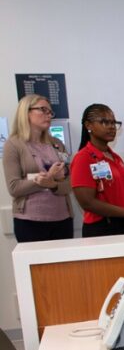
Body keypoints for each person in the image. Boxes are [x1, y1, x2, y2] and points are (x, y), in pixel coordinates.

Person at [71, 103, 124, 237]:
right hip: (102, 228)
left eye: (113, 122)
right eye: (104, 122)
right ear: (88, 125)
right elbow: (87, 203)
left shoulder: (115, 157)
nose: (111, 126)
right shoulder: (83, 158)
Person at [3, 95, 73, 242]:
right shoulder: (14, 144)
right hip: (30, 221)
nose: (48, 115)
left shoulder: (57, 144)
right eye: (43, 110)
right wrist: (44, 180)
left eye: (50, 112)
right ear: (26, 112)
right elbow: (14, 187)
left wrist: (53, 184)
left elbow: (69, 183)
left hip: (62, 219)